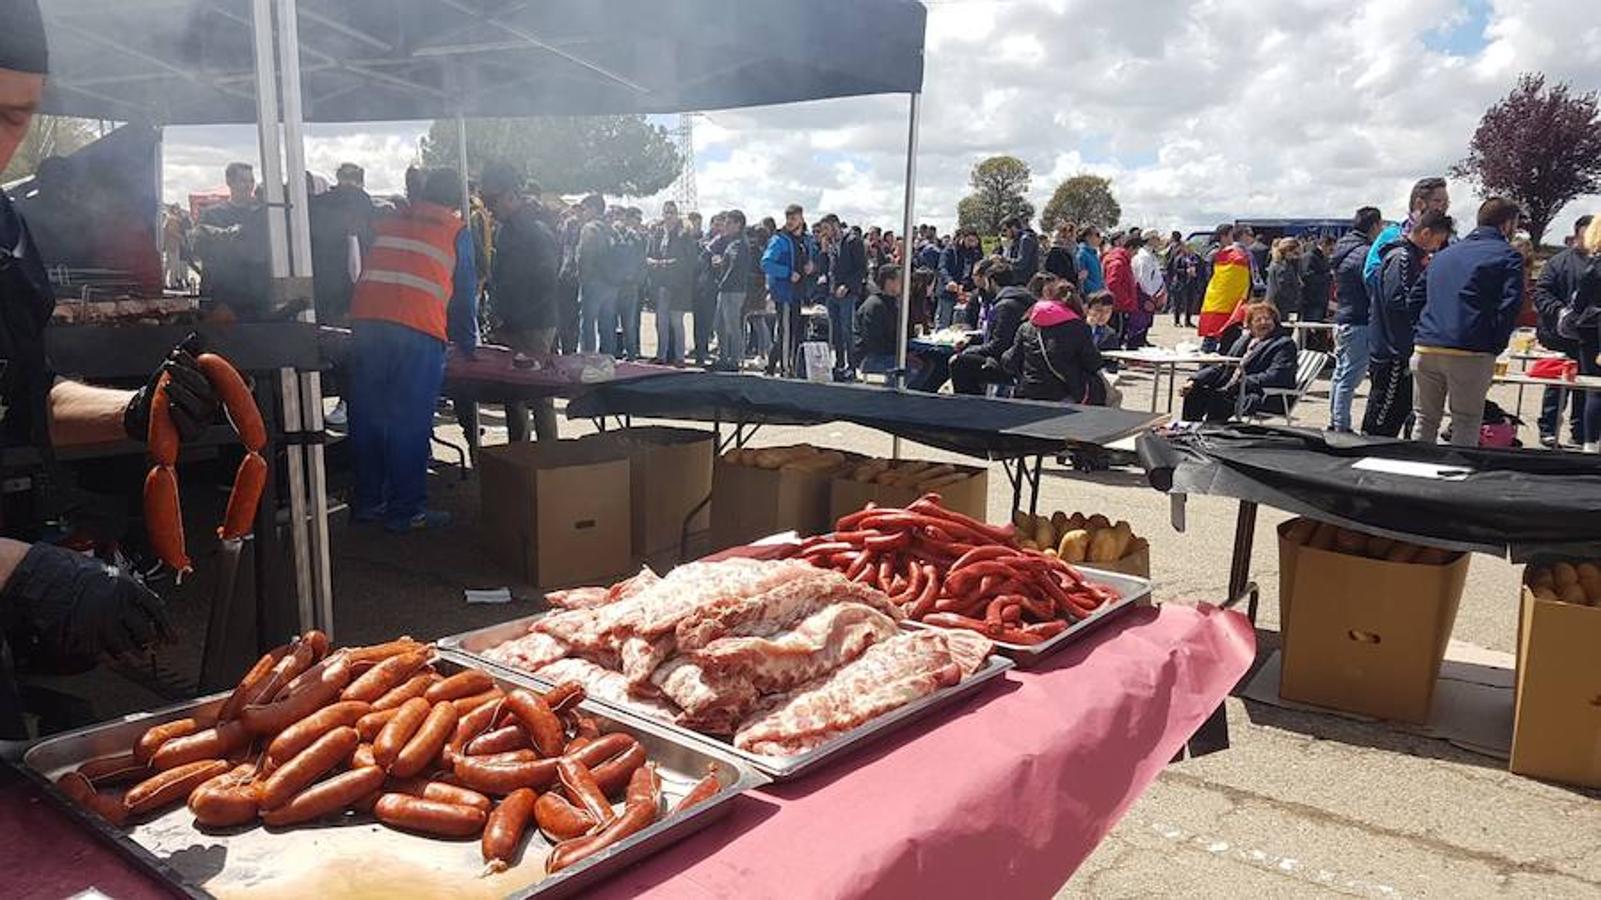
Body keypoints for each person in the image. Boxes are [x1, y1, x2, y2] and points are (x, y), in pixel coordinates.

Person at [347, 168, 475, 532]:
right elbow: (464, 296)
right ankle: (405, 511)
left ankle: (369, 502)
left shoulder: (391, 219)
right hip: (417, 329)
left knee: (369, 416)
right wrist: (467, 343)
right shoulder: (455, 231)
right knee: (409, 421)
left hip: (367, 323)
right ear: (455, 200)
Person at [1411, 198, 1526, 447]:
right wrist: (1496, 343)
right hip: (1471, 348)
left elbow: (1415, 297)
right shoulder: (1508, 256)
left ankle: (1413, 473)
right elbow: (1510, 305)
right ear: (1506, 225)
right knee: (1466, 420)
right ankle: (1455, 477)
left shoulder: (1443, 255)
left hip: (1427, 345)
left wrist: (1421, 329)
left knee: (1425, 419)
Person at [480, 162, 559, 444]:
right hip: (511, 323)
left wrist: (513, 317)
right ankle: (519, 455)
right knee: (513, 395)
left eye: (492, 200)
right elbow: (503, 279)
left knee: (539, 395)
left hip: (534, 324)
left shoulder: (537, 232)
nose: (488, 207)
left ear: (511, 197)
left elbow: (547, 284)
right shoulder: (504, 230)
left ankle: (550, 459)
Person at [1363, 211, 1453, 437]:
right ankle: (1369, 455)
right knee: (1383, 414)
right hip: (1393, 348)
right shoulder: (1402, 258)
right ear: (1425, 233)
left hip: (1401, 345)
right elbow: (1399, 299)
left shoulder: (1411, 257)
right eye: (1437, 241)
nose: (1437, 247)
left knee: (1399, 409)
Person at [1181, 302, 1299, 422]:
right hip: (1233, 390)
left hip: (1263, 395)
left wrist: (1242, 383)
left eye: (1267, 319)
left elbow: (1278, 376)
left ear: (1275, 322)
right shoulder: (1244, 341)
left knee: (1219, 400)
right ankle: (1188, 430)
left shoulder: (1283, 344)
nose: (1263, 323)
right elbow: (1224, 367)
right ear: (1250, 325)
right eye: (1258, 320)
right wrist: (1195, 379)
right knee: (1194, 391)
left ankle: (1211, 433)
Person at [1532, 215, 1592, 447]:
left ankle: (1579, 431)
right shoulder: (1558, 263)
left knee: (1585, 385)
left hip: (1590, 338)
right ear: (1576, 236)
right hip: (1559, 336)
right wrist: (1559, 312)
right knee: (1556, 384)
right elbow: (1541, 292)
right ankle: (1548, 428)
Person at [1003, 279, 1108, 405]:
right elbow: (1093, 363)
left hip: (1028, 393)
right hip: (1064, 394)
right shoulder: (1078, 327)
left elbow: (1011, 360)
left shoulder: (1027, 327)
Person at [1327, 206, 1384, 432]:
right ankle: (1341, 425)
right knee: (1351, 376)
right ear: (1374, 225)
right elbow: (1371, 285)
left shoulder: (1343, 249)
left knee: (1340, 374)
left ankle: (1335, 420)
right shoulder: (1364, 253)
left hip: (1343, 317)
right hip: (1359, 319)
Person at [193, 161, 270, 319]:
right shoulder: (212, 215)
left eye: (251, 181)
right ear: (229, 182)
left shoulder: (262, 214)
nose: (248, 185)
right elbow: (207, 258)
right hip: (224, 300)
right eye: (243, 180)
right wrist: (217, 303)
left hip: (256, 299)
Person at [949, 257, 1031, 395]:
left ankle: (970, 405)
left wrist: (969, 350)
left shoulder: (1005, 306)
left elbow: (998, 345)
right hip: (1017, 359)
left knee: (958, 362)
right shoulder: (1019, 299)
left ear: (991, 281)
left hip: (1010, 363)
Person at [308, 162, 375, 328]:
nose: (350, 184)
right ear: (338, 179)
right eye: (345, 177)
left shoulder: (365, 204)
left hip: (360, 292)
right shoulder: (321, 206)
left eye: (355, 178)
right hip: (329, 289)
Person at [1366, 177, 1451, 297]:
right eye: (1438, 201)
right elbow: (1370, 275)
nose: (1443, 207)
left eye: (1446, 203)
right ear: (1419, 203)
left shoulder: (1450, 241)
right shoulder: (1391, 236)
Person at [646, 201, 696, 365]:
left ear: (677, 215)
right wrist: (653, 262)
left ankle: (679, 357)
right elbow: (648, 255)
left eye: (672, 212)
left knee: (676, 322)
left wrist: (666, 264)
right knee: (661, 322)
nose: (669, 216)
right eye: (666, 212)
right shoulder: (657, 234)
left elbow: (688, 261)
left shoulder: (684, 235)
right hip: (660, 284)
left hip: (678, 285)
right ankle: (661, 355)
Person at [761, 204, 809, 376]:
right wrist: (788, 273)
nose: (790, 221)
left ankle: (771, 366)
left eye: (794, 218)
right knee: (786, 332)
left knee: (791, 332)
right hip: (784, 293)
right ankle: (785, 369)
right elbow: (766, 263)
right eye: (788, 218)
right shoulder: (779, 240)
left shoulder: (805, 240)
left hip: (799, 293)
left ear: (801, 219)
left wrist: (812, 267)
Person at [821, 214, 866, 381]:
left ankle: (852, 366)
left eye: (826, 228)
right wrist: (824, 252)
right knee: (836, 331)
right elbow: (826, 267)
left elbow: (861, 268)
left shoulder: (853, 241)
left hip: (847, 292)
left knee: (847, 329)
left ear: (835, 225)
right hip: (832, 292)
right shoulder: (831, 243)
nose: (825, 233)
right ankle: (839, 363)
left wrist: (847, 285)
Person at [1570, 219, 1601, 452]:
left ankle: (1590, 444)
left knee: (1594, 387)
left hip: (1592, 329)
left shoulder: (1593, 267)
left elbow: (1579, 302)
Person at [574, 194, 619, 354]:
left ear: (593, 209)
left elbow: (584, 256)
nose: (583, 213)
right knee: (607, 325)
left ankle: (588, 357)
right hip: (612, 283)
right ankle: (607, 358)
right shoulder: (612, 230)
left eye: (585, 209)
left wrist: (582, 278)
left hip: (593, 282)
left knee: (587, 324)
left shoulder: (589, 228)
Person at [1198, 225, 1253, 351]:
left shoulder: (1239, 253)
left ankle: (1224, 367)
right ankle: (1205, 367)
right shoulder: (1215, 253)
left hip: (1232, 301)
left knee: (1230, 335)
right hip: (1218, 300)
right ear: (1224, 236)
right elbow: (1210, 277)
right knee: (1212, 335)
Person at [936, 228, 983, 329]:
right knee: (944, 322)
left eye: (974, 241)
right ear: (963, 238)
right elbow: (942, 268)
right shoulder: (950, 250)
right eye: (969, 240)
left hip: (965, 293)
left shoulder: (975, 253)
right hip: (948, 292)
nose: (972, 244)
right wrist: (949, 281)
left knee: (960, 325)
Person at [1129, 233, 1165, 348]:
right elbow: (1143, 278)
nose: (1158, 241)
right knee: (1138, 324)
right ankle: (1134, 351)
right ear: (1149, 239)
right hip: (1144, 295)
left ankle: (1141, 345)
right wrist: (1148, 296)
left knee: (1145, 324)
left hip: (1151, 294)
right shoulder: (1143, 256)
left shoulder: (1150, 255)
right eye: (1156, 238)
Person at [1165, 233, 1202, 328]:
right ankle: (1177, 320)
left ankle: (1188, 320)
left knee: (1190, 302)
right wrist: (1185, 271)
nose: (1189, 249)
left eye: (1190, 247)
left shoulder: (1195, 257)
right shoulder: (1178, 258)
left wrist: (1196, 273)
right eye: (1187, 247)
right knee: (1178, 302)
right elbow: (1173, 269)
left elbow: (1201, 268)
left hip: (1191, 283)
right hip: (1180, 282)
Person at [1265, 238, 1303, 318]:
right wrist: (1295, 299)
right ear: (1287, 251)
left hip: (1277, 305)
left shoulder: (1277, 264)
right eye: (1295, 253)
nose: (1296, 257)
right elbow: (1282, 288)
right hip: (1282, 307)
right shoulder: (1282, 267)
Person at [1300, 235, 1333, 323]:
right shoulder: (1310, 257)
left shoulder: (1323, 258)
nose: (1330, 253)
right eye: (1330, 250)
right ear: (1323, 245)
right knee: (1311, 326)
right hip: (1312, 300)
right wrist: (1328, 276)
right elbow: (1308, 277)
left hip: (1321, 299)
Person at [1076, 227, 1105, 295]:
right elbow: (1082, 280)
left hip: (1098, 295)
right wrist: (1096, 290)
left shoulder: (1094, 254)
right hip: (1090, 296)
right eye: (1097, 235)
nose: (1100, 238)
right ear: (1088, 237)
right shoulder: (1081, 254)